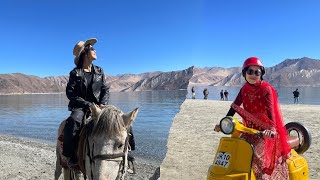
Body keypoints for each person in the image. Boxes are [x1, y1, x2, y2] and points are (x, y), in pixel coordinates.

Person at [63, 38, 136, 168]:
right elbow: (71, 94)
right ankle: (70, 155)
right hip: (81, 107)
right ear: (84, 53)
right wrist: (87, 105)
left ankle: (127, 149)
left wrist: (103, 103)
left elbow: (105, 89)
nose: (95, 50)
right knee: (73, 121)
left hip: (100, 106)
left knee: (122, 118)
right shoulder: (75, 73)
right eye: (91, 48)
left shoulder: (99, 71)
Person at [214, 57, 290, 179]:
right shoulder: (244, 89)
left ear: (261, 74)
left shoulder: (266, 89)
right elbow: (234, 106)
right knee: (237, 148)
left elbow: (271, 111)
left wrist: (271, 129)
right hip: (250, 130)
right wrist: (223, 122)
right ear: (245, 73)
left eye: (257, 72)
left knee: (257, 156)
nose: (253, 75)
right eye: (250, 72)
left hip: (265, 132)